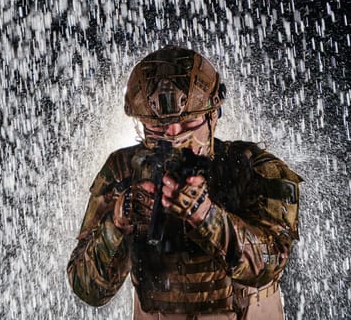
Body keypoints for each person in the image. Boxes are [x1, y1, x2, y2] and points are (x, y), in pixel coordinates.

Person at [67, 46, 302, 320]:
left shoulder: (257, 169)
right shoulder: (123, 171)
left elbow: (269, 265)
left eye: (188, 123)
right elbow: (88, 289)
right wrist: (116, 226)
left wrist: (206, 217)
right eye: (157, 128)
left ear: (213, 115)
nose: (174, 136)